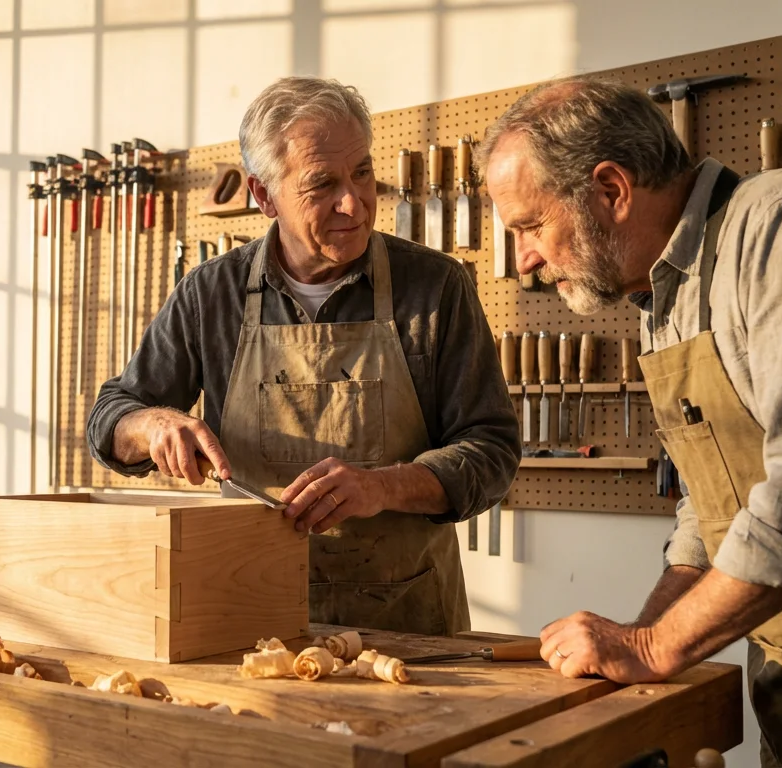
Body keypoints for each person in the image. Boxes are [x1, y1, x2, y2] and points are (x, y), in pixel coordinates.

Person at [479, 76, 782, 765]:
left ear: (611, 191)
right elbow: (710, 500)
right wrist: (641, 634)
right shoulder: (664, 295)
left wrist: (656, 647)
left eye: (530, 226)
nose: (525, 262)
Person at [86, 76, 520, 636]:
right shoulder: (210, 294)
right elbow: (110, 416)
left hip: (406, 626)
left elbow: (491, 453)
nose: (354, 202)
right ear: (264, 195)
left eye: (362, 172)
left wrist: (381, 486)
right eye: (322, 184)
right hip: (247, 617)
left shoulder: (435, 287)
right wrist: (151, 425)